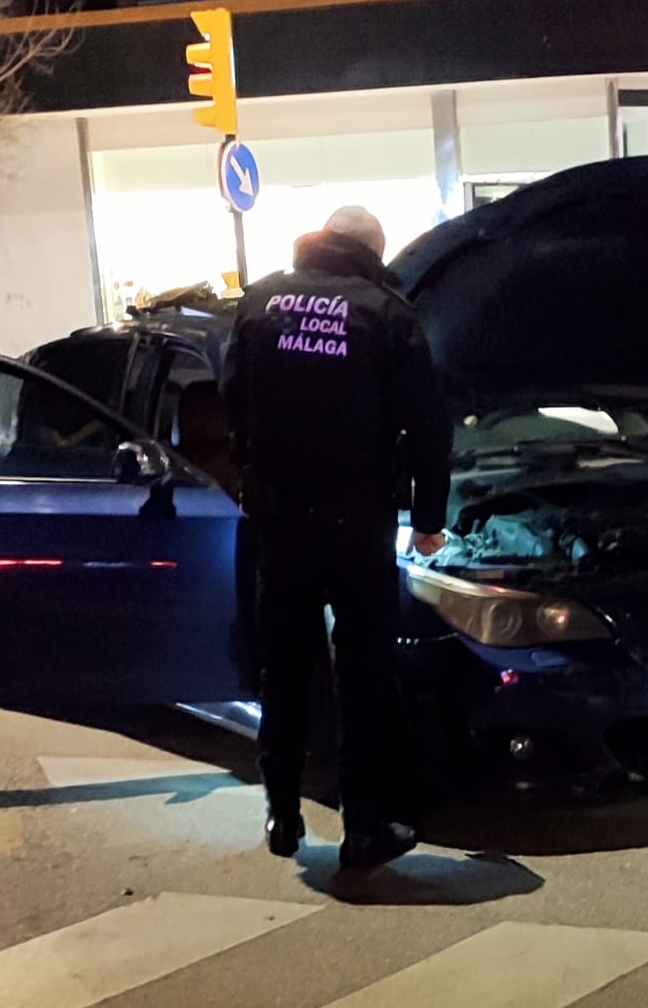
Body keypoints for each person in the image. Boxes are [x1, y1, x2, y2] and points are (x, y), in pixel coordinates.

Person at [222, 206, 452, 869]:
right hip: (359, 520)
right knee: (363, 673)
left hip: (283, 521)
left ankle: (283, 813)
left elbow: (231, 395)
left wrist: (252, 471)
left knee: (285, 668)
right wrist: (429, 517)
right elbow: (430, 426)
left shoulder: (262, 301)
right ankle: (365, 826)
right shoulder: (386, 312)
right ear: (373, 251)